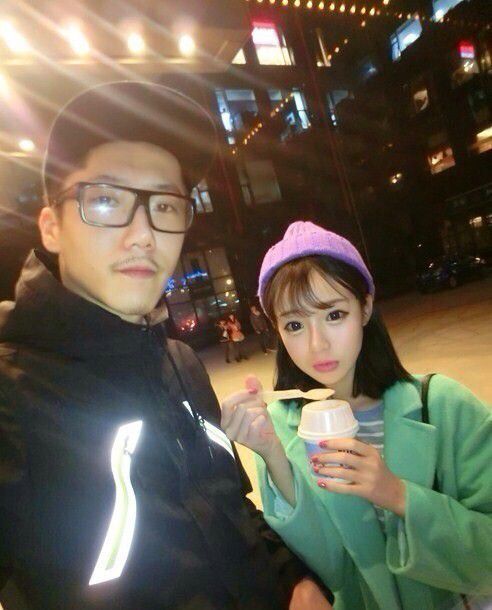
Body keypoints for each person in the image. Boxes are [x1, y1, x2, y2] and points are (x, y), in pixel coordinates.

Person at [0, 85, 334, 610]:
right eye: (106, 199)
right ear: (52, 227)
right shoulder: (12, 395)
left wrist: (292, 577)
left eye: (164, 205)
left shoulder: (180, 364)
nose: (143, 234)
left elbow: (227, 505)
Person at [221, 221, 492, 610]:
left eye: (334, 315)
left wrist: (398, 495)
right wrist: (274, 457)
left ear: (365, 307)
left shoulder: (444, 405)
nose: (317, 344)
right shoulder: (279, 430)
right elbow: (333, 572)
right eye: (295, 325)